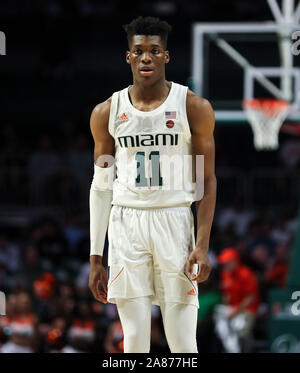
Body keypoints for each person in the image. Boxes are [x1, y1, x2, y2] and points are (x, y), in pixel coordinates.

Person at [88, 16, 216, 353]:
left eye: (154, 51)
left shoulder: (193, 107)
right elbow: (101, 186)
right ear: (128, 57)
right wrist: (95, 257)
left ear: (166, 56)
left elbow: (205, 180)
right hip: (126, 222)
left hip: (174, 220)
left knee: (184, 343)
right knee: (134, 342)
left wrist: (202, 243)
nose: (147, 57)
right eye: (139, 51)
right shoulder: (106, 112)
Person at [214, 248, 260, 353]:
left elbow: (250, 298)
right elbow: (226, 293)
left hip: (247, 310)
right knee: (222, 330)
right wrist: (226, 309)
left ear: (234, 261)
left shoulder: (246, 274)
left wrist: (235, 311)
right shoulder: (225, 274)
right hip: (232, 309)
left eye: (227, 262)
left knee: (242, 333)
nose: (224, 265)